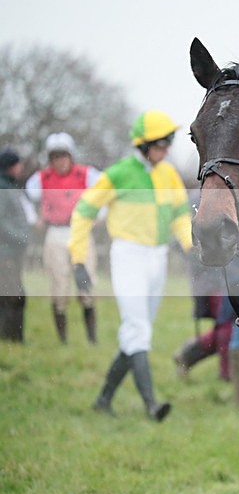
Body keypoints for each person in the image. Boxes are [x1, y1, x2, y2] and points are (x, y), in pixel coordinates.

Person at [69, 110, 193, 422]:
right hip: (128, 257)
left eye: (170, 141)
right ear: (145, 144)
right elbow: (83, 212)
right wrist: (79, 258)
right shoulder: (118, 173)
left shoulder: (168, 174)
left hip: (158, 258)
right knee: (137, 331)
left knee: (137, 333)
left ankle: (103, 399)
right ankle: (151, 405)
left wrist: (192, 247)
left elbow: (180, 214)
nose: (167, 148)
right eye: (163, 142)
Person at [25, 132, 101, 344]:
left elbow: (105, 193)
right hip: (55, 233)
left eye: (63, 155)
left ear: (70, 155)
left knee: (86, 285)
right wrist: (35, 219)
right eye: (55, 156)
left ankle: (91, 339)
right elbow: (25, 198)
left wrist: (98, 216)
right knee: (59, 288)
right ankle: (63, 341)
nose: (59, 161)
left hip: (81, 233)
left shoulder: (86, 174)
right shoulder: (42, 178)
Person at [0, 148, 31, 343]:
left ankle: (12, 338)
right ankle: (11, 339)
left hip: (11, 251)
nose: (21, 167)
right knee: (13, 296)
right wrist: (18, 237)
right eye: (18, 164)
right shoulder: (3, 188)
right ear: (10, 166)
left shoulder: (9, 185)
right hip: (6, 252)